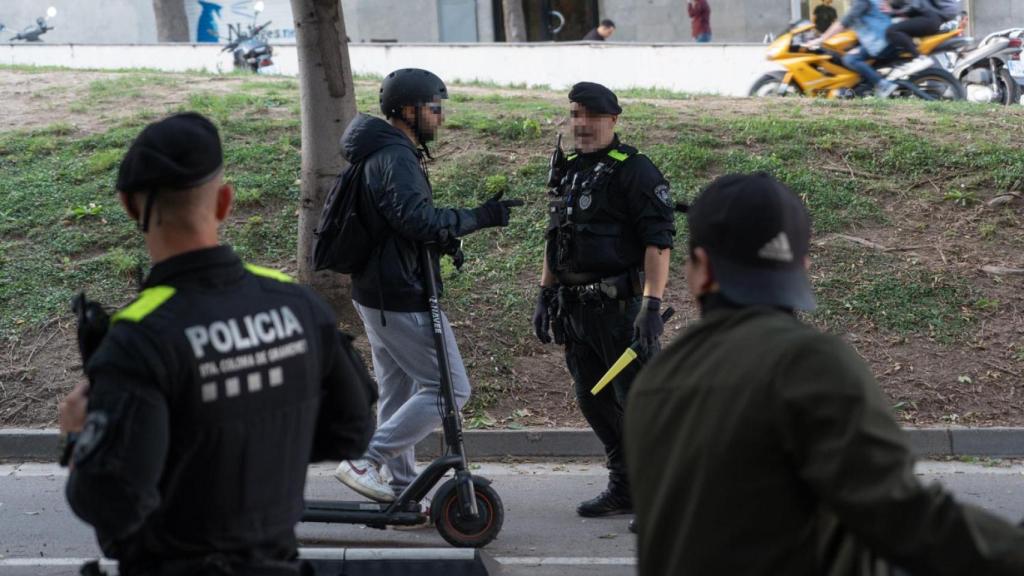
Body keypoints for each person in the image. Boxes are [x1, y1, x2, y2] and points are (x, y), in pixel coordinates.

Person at [625, 172, 1024, 576]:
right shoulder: (806, 363)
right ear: (802, 266)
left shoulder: (654, 382)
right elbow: (901, 516)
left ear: (701, 269)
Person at [59, 112, 375, 576]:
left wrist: (76, 438)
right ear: (225, 202)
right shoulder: (297, 305)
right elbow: (351, 432)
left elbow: (113, 502)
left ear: (129, 206)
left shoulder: (138, 339)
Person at [334, 69, 521, 503]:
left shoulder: (386, 150)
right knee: (450, 388)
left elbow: (399, 224)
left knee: (399, 389)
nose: (440, 117)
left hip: (378, 289)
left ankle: (401, 486)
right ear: (408, 110)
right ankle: (366, 459)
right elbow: (415, 220)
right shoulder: (394, 156)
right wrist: (479, 217)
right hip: (398, 294)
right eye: (434, 108)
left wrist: (445, 240)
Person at [533, 82, 675, 518]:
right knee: (593, 399)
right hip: (575, 311)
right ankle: (625, 486)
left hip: (620, 312)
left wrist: (651, 306)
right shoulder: (569, 170)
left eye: (592, 116)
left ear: (613, 120)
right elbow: (556, 238)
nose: (582, 123)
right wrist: (544, 292)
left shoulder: (635, 170)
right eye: (576, 114)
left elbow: (658, 243)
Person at [809, 0, 898, 98]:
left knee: (850, 59)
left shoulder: (862, 2)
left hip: (880, 43)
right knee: (849, 53)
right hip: (880, 40)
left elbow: (844, 22)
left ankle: (883, 85)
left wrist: (821, 39)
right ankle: (865, 86)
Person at [886, 0, 956, 77]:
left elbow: (913, 5)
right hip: (933, 18)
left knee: (893, 31)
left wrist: (891, 12)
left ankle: (919, 57)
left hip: (929, 18)